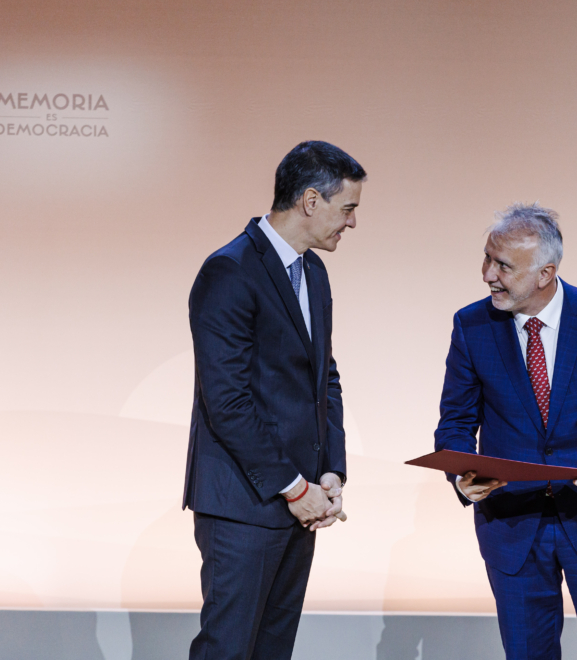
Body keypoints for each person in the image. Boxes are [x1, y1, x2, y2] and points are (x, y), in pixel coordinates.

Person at [434, 202, 577, 659]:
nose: (487, 274)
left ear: (545, 273)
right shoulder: (471, 325)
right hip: (513, 527)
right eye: (487, 258)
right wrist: (462, 474)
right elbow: (455, 423)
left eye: (503, 265)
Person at [184, 141, 365, 660]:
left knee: (272, 651)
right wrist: (293, 486)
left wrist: (330, 472)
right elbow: (227, 401)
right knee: (228, 648)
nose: (351, 223)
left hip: (301, 501)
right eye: (347, 208)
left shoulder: (314, 272)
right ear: (311, 201)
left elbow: (323, 379)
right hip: (245, 503)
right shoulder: (229, 271)